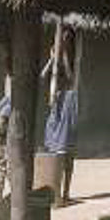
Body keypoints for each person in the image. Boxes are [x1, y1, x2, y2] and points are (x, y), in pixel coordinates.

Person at [42, 28, 78, 205]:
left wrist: (63, 55)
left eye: (66, 39)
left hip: (67, 105)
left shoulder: (72, 60)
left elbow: (71, 79)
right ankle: (53, 190)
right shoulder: (54, 64)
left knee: (67, 153)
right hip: (55, 107)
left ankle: (66, 192)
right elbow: (42, 77)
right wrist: (51, 59)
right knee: (52, 152)